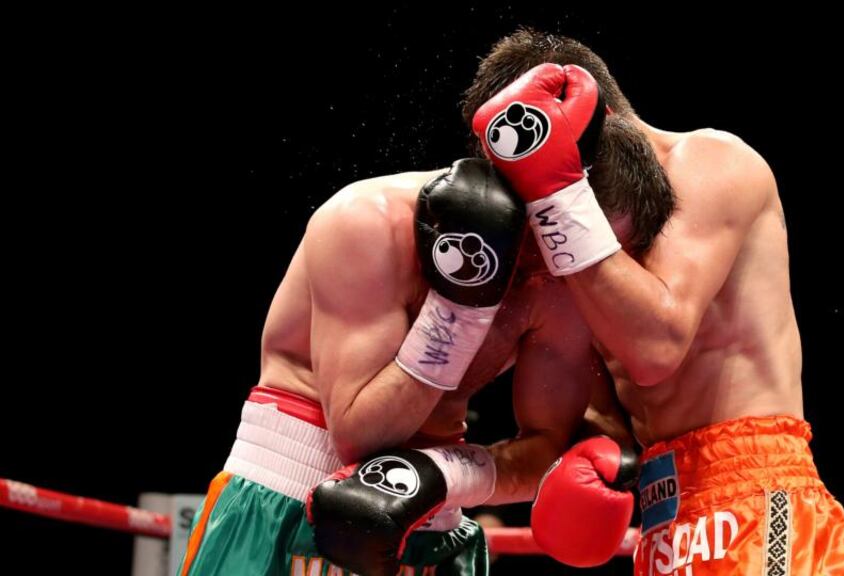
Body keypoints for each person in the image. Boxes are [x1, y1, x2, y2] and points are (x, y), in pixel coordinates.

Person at [463, 29, 844, 575]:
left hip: (757, 498)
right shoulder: (569, 235)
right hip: (663, 521)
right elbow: (597, 401)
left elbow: (656, 346)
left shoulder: (712, 164)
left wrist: (557, 197)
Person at [178, 158, 608, 575]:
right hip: (286, 497)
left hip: (434, 529)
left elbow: (549, 448)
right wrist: (461, 307)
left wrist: (444, 476)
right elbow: (360, 434)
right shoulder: (368, 219)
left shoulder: (564, 273)